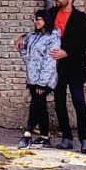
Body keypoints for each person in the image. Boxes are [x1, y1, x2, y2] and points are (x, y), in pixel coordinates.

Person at [49, 0, 86, 153]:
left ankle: (85, 140)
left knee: (79, 103)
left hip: (74, 67)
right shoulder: (52, 14)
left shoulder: (81, 18)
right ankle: (66, 137)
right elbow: (39, 28)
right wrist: (24, 37)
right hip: (55, 67)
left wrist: (66, 52)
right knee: (59, 103)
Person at [17, 9, 61, 148]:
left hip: (45, 80)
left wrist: (42, 84)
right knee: (40, 106)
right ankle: (44, 137)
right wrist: (23, 48)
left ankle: (27, 134)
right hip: (33, 78)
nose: (36, 22)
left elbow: (50, 61)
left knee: (35, 104)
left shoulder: (53, 37)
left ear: (46, 20)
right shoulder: (32, 35)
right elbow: (26, 52)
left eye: (39, 19)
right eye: (35, 19)